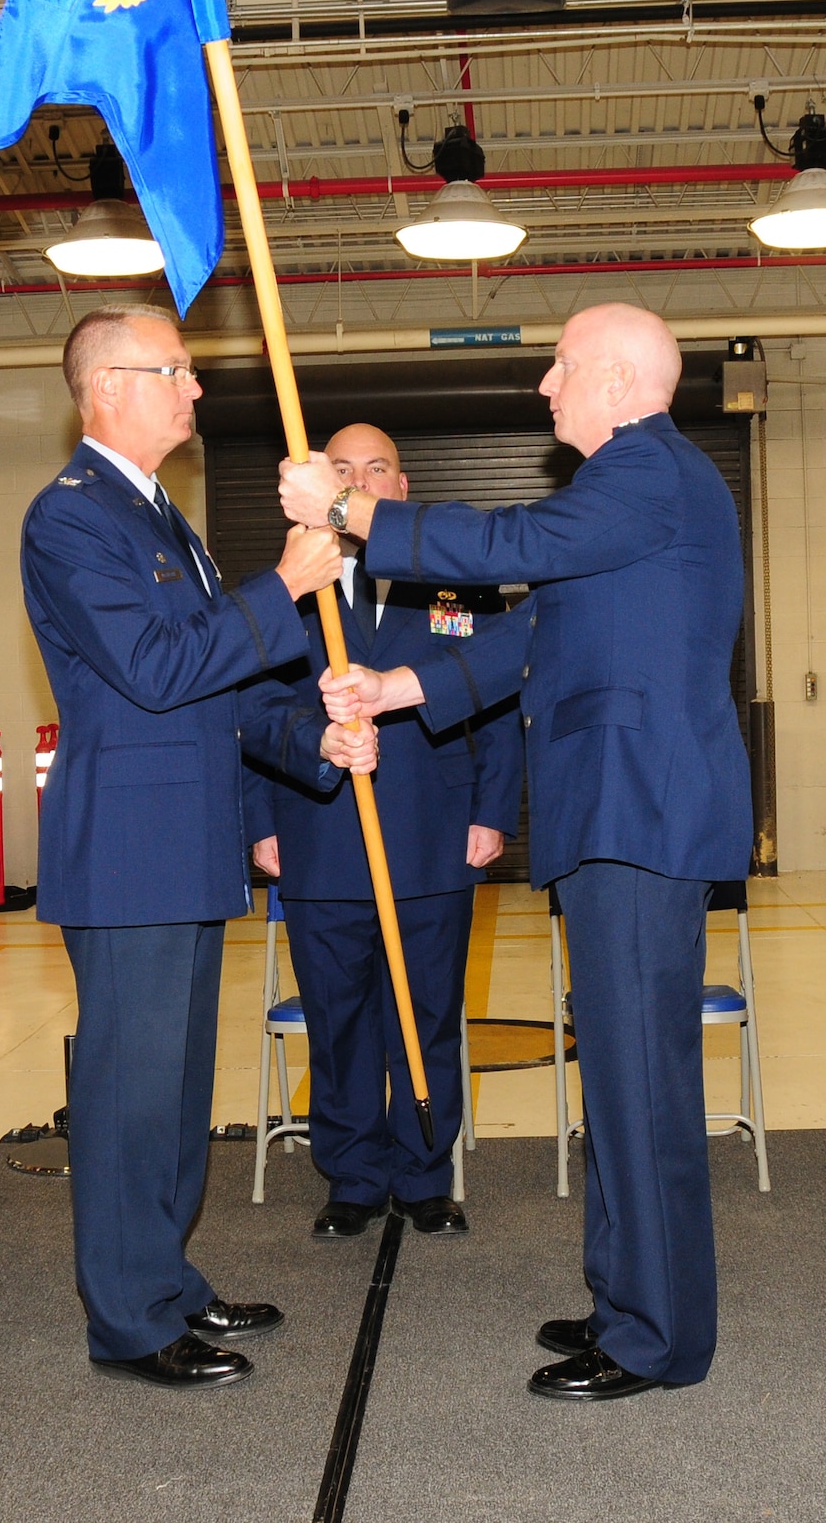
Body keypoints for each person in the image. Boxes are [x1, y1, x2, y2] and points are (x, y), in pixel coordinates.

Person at [279, 303, 751, 1402]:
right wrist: (404, 686)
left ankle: (655, 1338)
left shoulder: (648, 470)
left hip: (638, 816)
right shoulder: (628, 490)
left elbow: (514, 549)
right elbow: (532, 628)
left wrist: (348, 507)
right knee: (620, 1082)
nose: (544, 387)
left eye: (561, 368)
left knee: (639, 1089)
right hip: (613, 815)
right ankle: (628, 1301)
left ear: (623, 380)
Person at [21, 304, 367, 1391]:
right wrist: (285, 587)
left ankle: (162, 1278)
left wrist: (314, 731)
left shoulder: (159, 518)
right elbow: (159, 670)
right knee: (128, 1095)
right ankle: (126, 1319)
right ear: (107, 386)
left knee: (171, 1092)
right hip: (126, 850)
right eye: (172, 370)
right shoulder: (69, 519)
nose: (193, 388)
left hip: (182, 843)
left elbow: (225, 692)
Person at [243, 422, 522, 1241]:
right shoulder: (287, 588)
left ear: (398, 490)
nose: (358, 479)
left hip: (434, 833)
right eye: (340, 469)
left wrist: (492, 811)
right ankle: (354, 1177)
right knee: (339, 1020)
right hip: (317, 831)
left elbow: (499, 709)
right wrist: (261, 820)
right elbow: (254, 712)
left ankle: (427, 1173)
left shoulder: (457, 586)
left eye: (375, 468)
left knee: (427, 1014)